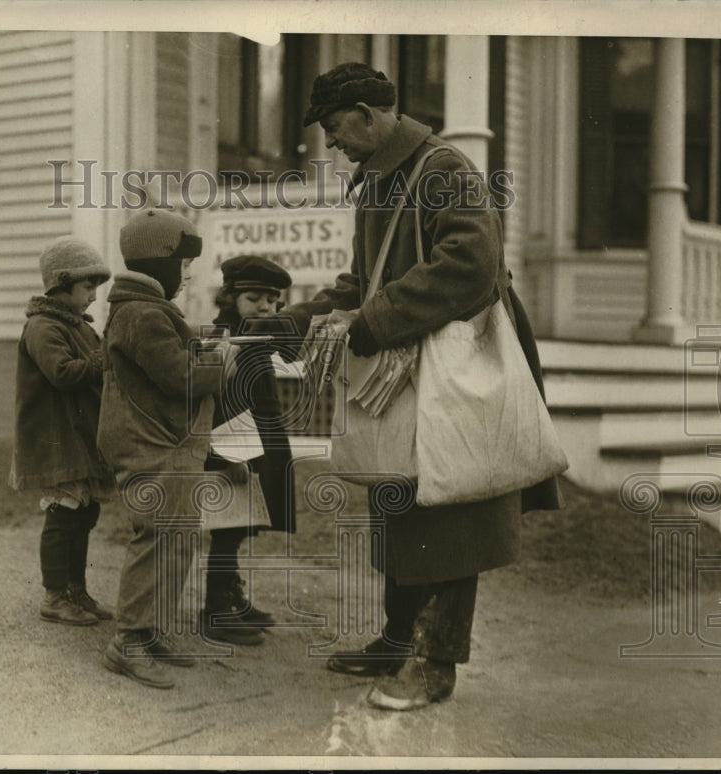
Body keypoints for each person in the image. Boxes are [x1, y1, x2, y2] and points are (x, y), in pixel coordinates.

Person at [292, 62, 561, 711]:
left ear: (366, 112)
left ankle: (435, 664)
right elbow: (365, 282)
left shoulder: (444, 169)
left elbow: (470, 265)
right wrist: (297, 318)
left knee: (452, 510)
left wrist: (375, 321)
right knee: (400, 499)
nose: (333, 145)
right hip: (408, 364)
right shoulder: (379, 181)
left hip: (458, 368)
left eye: (335, 130)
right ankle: (396, 640)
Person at [97, 208, 239, 690]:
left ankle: (151, 629)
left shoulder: (145, 311)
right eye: (181, 264)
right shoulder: (142, 314)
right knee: (158, 538)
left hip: (164, 443)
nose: (187, 274)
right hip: (152, 445)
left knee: (177, 538)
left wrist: (204, 343)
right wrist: (225, 366)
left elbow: (172, 354)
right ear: (158, 263)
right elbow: (178, 376)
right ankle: (129, 642)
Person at [9, 236, 115, 627]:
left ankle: (76, 590)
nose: (93, 297)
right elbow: (63, 373)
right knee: (63, 516)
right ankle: (54, 596)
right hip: (56, 440)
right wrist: (106, 357)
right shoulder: (42, 326)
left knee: (84, 514)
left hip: (79, 439)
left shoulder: (78, 327)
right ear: (61, 282)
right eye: (88, 288)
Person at [201, 254, 302, 646]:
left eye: (273, 300)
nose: (266, 307)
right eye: (255, 298)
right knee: (227, 530)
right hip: (234, 446)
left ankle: (232, 599)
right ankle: (215, 612)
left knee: (240, 528)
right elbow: (222, 401)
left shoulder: (257, 335)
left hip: (257, 441)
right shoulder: (229, 338)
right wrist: (230, 455)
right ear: (230, 298)